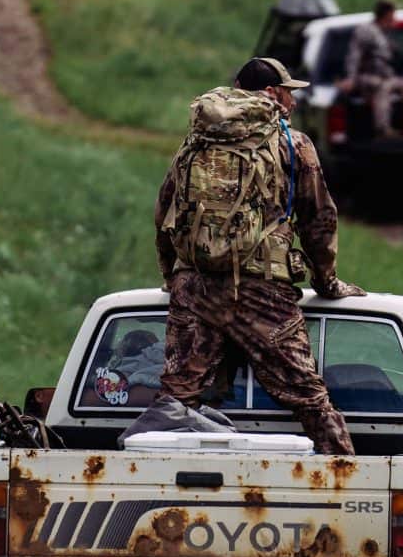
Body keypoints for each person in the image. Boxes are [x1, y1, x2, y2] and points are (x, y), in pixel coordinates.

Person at [153, 56, 365, 455]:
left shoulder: (196, 142)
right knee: (309, 397)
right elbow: (318, 219)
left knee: (176, 401)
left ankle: (154, 479)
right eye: (289, 92)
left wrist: (172, 275)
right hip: (261, 291)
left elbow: (166, 210)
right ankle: (346, 479)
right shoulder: (292, 144)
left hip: (194, 288)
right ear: (272, 94)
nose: (294, 102)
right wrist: (326, 281)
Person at [343, 0, 403, 136]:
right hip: (366, 77)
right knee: (383, 86)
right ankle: (383, 128)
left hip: (385, 76)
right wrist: (351, 79)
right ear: (387, 13)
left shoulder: (384, 33)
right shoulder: (366, 31)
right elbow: (354, 56)